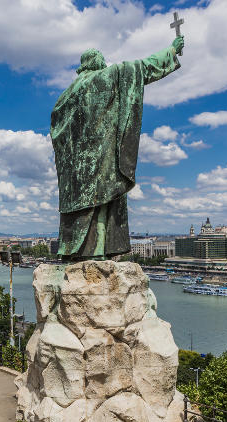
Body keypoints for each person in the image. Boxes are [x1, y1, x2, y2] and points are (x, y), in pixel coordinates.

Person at [51, 36, 184, 260]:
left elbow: (57, 127)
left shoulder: (65, 96)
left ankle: (80, 251)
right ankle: (103, 251)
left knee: (88, 207)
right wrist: (171, 51)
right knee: (108, 200)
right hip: (102, 161)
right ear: (98, 64)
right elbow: (143, 68)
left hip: (75, 176)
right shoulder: (106, 77)